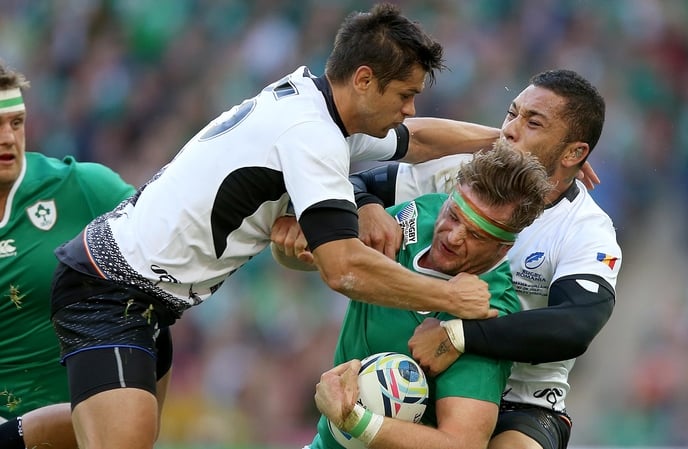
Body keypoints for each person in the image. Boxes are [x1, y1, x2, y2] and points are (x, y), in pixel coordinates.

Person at [47, 4, 505, 449]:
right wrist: (448, 296)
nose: (409, 108)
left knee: (102, 432)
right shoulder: (312, 136)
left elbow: (420, 139)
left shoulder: (313, 102)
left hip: (145, 294)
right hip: (110, 287)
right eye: (405, 94)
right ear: (364, 79)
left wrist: (507, 140)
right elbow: (343, 269)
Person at [273, 69, 621, 449]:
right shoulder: (460, 176)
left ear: (574, 152)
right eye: (511, 114)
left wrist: (459, 336)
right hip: (428, 374)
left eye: (533, 122)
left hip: (521, 403)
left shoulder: (586, 231)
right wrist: (368, 206)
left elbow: (576, 325)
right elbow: (357, 181)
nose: (509, 129)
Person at [303, 143, 553, 449]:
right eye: (454, 215)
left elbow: (462, 444)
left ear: (504, 249)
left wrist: (355, 420)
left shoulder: (486, 317)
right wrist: (358, 209)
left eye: (477, 235)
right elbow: (328, 258)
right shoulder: (419, 214)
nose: (453, 235)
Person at [0, 61, 136, 449]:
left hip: (78, 428)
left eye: (16, 122)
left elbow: (173, 221)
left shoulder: (81, 189)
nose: (8, 137)